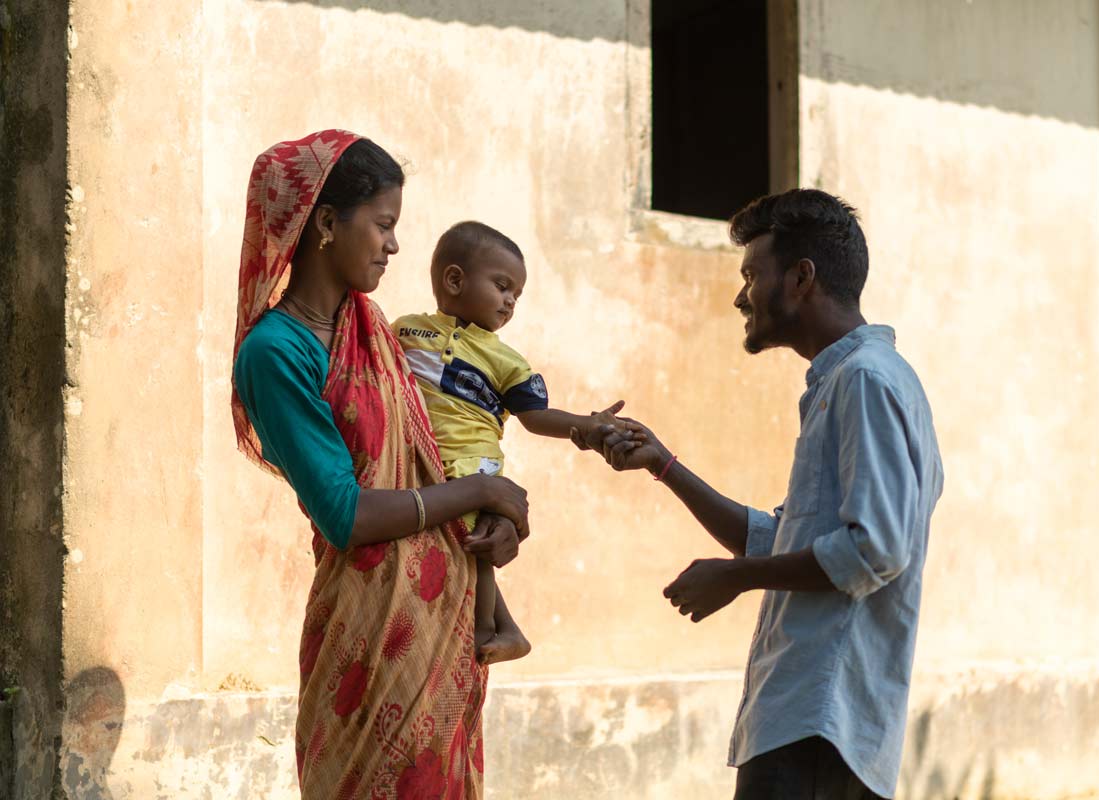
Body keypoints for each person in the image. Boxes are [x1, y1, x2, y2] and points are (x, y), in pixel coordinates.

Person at [575, 189, 944, 799]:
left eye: (752, 274)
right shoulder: (846, 381)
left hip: (823, 721)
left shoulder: (866, 381)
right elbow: (786, 539)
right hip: (803, 720)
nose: (740, 296)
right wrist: (664, 465)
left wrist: (740, 577)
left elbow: (872, 550)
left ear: (802, 278)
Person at [231, 130, 528, 798]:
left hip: (443, 638)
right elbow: (346, 513)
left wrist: (493, 519)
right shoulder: (276, 353)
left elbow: (435, 462)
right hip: (369, 647)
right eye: (384, 225)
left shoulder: (378, 333)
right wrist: (485, 488)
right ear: (328, 223)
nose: (394, 245)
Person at [392, 220, 639, 664]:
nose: (510, 301)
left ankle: (486, 630)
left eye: (517, 296)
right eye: (503, 286)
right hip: (421, 457)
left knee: (478, 543)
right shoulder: (406, 331)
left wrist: (587, 427)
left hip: (475, 461)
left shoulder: (508, 361)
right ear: (454, 280)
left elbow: (536, 417)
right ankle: (507, 627)